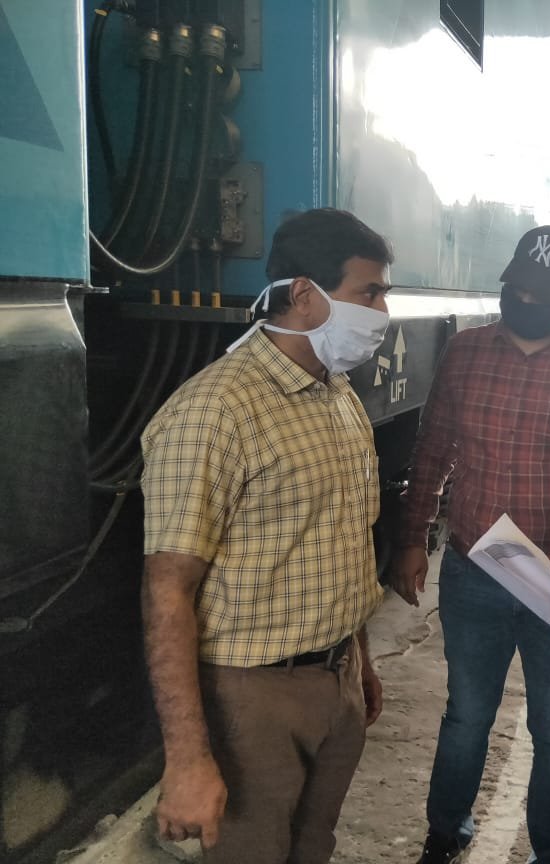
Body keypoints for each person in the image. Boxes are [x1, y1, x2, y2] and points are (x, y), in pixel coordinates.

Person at [140, 208, 392, 863]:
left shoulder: (337, 395)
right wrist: (187, 760)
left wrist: (357, 657)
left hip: (335, 680)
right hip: (252, 701)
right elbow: (167, 590)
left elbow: (344, 538)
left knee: (312, 846)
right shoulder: (214, 412)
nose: (382, 311)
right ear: (304, 294)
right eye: (369, 293)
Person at [390, 226, 550, 864]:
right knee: (466, 715)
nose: (525, 299)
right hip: (475, 569)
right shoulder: (466, 354)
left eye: (541, 293)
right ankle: (445, 834)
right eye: (517, 287)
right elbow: (433, 450)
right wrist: (413, 538)